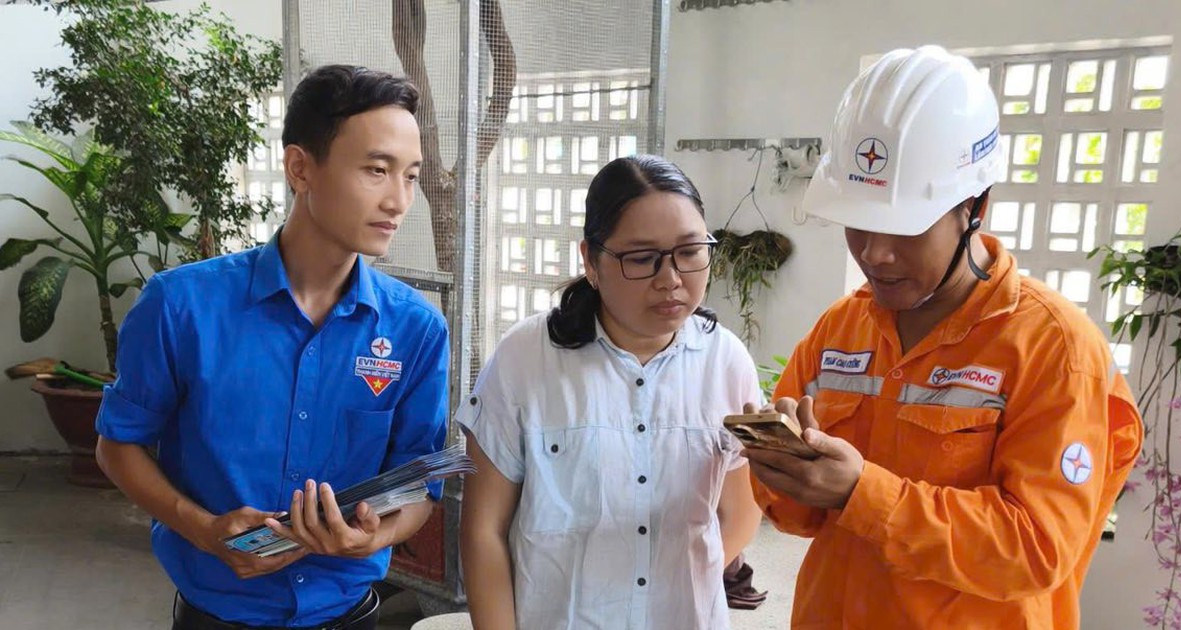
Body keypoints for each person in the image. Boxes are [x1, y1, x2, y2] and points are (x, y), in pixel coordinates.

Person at [744, 45, 1144, 629]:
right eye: (860, 223)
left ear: (976, 206)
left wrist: (861, 492)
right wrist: (785, 470)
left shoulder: (1053, 347)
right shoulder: (841, 329)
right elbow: (799, 519)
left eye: (906, 228)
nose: (875, 254)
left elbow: (1037, 548)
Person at [95, 65, 448, 630]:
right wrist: (204, 530)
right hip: (214, 616)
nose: (398, 200)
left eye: (410, 176)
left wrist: (375, 537)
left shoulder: (416, 330)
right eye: (377, 170)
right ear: (300, 168)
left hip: (351, 613)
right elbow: (118, 446)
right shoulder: (180, 307)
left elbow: (418, 486)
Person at [458, 154, 764, 630]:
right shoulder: (526, 359)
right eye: (641, 259)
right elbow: (483, 532)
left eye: (689, 252)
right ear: (591, 260)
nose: (670, 279)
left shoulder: (726, 360)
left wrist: (675, 576)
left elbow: (740, 512)